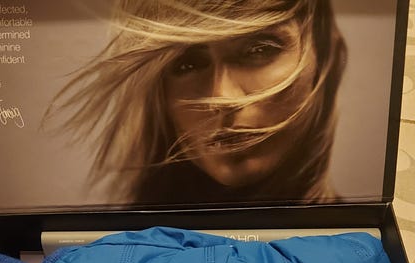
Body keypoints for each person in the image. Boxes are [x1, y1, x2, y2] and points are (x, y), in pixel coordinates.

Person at [48, 0, 347, 207]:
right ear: (159, 93)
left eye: (259, 50)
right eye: (187, 65)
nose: (222, 97)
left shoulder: (359, 250)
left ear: (324, 57)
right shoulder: (116, 259)